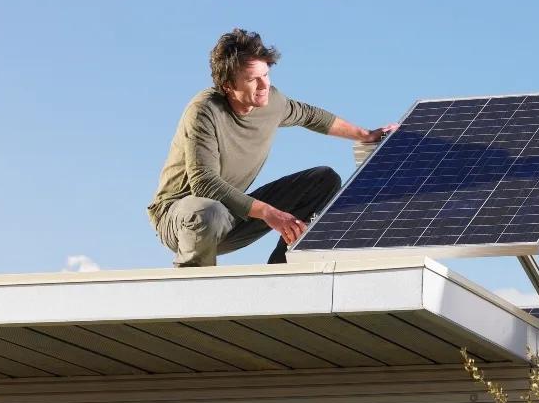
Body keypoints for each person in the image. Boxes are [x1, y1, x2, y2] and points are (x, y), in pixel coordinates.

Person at [148, 28, 398, 266]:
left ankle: (282, 272)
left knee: (324, 180)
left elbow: (312, 116)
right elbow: (205, 183)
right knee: (207, 211)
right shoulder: (204, 111)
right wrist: (270, 213)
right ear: (228, 86)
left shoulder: (271, 102)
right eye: (252, 80)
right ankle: (193, 294)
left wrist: (365, 134)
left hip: (230, 214)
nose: (264, 85)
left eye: (266, 75)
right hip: (180, 218)